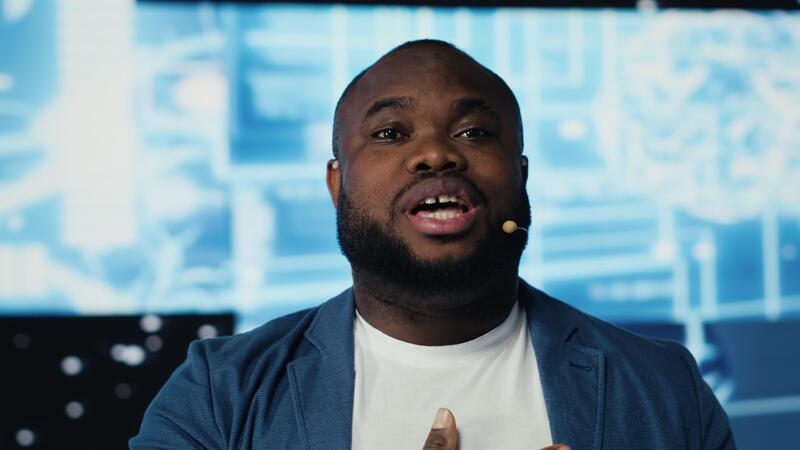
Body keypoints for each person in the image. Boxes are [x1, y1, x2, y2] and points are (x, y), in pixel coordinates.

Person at [130, 39, 736, 450]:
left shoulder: (662, 386)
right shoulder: (219, 393)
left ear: (521, 176)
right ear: (337, 184)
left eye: (473, 132)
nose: (437, 154)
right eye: (390, 133)